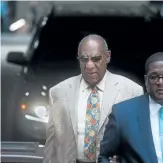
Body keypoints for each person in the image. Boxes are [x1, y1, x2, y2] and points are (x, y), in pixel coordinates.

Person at [43, 34, 144, 163]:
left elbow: (138, 142)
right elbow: (51, 145)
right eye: (84, 59)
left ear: (108, 56)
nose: (89, 65)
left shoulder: (131, 92)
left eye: (96, 59)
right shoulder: (59, 92)